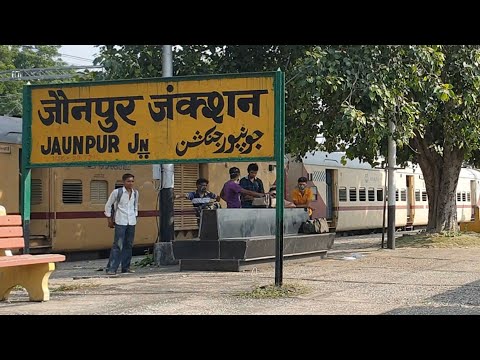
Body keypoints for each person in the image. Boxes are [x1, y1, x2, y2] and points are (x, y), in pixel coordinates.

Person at [104, 173, 139, 275]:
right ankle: (111, 268)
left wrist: (135, 216)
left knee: (128, 245)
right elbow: (108, 205)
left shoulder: (135, 193)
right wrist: (109, 219)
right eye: (128, 181)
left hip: (131, 221)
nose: (130, 183)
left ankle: (126, 267)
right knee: (118, 245)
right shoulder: (117, 192)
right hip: (120, 221)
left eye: (132, 181)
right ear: (123, 182)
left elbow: (135, 206)